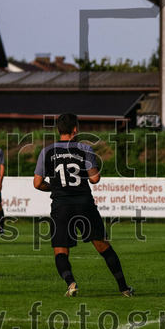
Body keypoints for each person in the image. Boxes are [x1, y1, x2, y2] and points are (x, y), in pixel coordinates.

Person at [33, 113, 133, 297]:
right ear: (75, 129)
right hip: (84, 204)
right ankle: (124, 288)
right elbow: (94, 178)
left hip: (61, 206)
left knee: (61, 250)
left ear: (58, 130)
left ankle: (71, 283)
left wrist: (56, 188)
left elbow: (37, 183)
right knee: (103, 246)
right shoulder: (84, 148)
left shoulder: (47, 151)